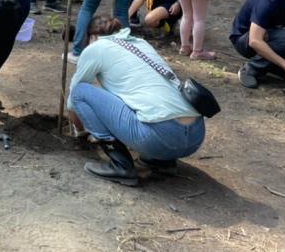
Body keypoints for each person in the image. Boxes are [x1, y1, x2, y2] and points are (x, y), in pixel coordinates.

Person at [68, 16, 205, 186]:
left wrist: (81, 132)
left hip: (159, 139)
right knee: (141, 99)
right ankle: (162, 161)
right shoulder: (141, 44)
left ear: (93, 36)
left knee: (80, 91)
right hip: (195, 136)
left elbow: (73, 100)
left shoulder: (97, 47)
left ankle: (120, 165)